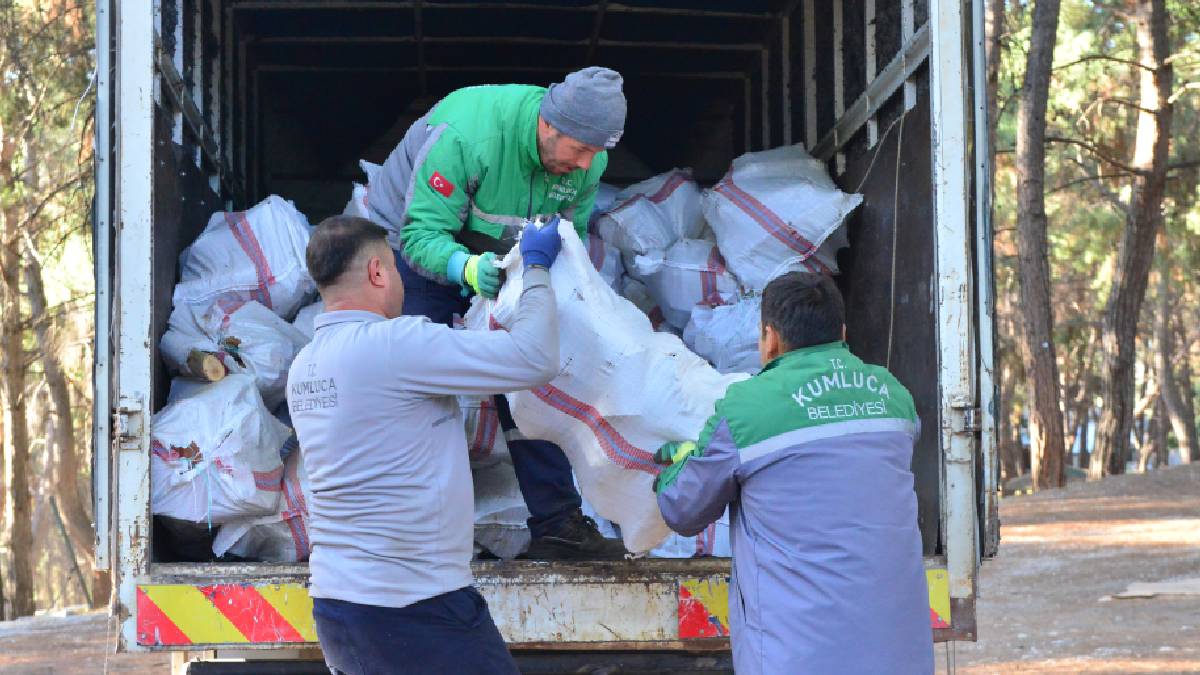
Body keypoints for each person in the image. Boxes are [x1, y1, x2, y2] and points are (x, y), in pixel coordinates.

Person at [366, 66, 628, 559]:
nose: (588, 165)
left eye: (598, 154)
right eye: (580, 151)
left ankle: (558, 524)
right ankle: (406, 527)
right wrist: (465, 269)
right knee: (420, 373)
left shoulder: (585, 162)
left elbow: (569, 242)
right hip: (414, 244)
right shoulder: (468, 136)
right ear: (549, 126)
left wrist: (546, 281)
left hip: (502, 256)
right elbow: (419, 236)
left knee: (540, 367)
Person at [286, 214, 564, 674]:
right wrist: (536, 267)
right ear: (378, 272)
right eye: (395, 269)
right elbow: (535, 357)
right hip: (415, 608)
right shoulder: (397, 344)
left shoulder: (306, 366)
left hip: (339, 608)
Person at [653, 272, 934, 675]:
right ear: (841, 331)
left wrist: (681, 464)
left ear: (769, 337)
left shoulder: (747, 408)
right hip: (901, 657)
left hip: (798, 656)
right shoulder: (892, 394)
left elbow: (682, 510)